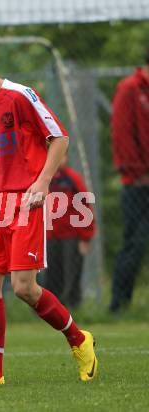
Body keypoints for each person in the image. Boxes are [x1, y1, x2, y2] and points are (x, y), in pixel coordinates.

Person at [0, 41, 98, 385]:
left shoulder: (20, 95)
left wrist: (42, 183)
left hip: (25, 202)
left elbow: (59, 138)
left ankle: (79, 339)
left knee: (24, 287)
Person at [109, 48, 149, 313]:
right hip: (138, 184)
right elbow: (122, 134)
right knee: (135, 243)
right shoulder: (130, 88)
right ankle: (119, 304)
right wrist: (137, 173)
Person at [44, 155, 96, 309]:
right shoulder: (43, 179)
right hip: (49, 236)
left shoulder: (72, 178)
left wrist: (85, 238)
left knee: (71, 273)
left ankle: (73, 307)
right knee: (52, 274)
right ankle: (51, 309)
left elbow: (85, 206)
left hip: (71, 236)